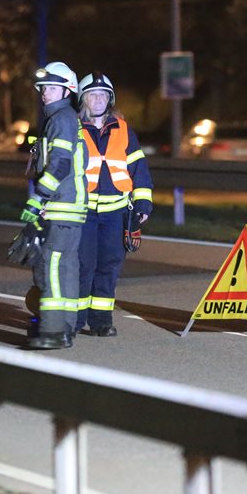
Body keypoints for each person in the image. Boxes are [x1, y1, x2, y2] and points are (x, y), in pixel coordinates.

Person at [75, 72, 153, 337]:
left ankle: (101, 322)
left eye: (103, 95)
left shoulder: (123, 129)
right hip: (83, 211)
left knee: (108, 266)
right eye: (92, 94)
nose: (98, 99)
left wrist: (143, 202)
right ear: (83, 99)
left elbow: (138, 167)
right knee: (83, 265)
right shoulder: (73, 129)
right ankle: (75, 321)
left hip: (116, 213)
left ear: (110, 99)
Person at [22, 62, 87, 349]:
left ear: (66, 91)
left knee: (51, 268)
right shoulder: (67, 118)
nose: (44, 93)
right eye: (43, 88)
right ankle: (66, 328)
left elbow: (60, 164)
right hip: (72, 209)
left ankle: (53, 331)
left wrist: (38, 198)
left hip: (59, 207)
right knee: (67, 269)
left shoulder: (60, 119)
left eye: (51, 88)